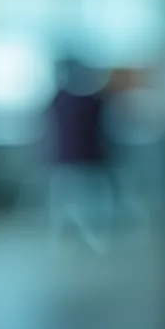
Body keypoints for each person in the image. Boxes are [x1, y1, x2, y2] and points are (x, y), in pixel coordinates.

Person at [45, 56, 116, 253]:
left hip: (80, 160)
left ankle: (91, 235)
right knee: (75, 201)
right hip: (77, 160)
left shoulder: (65, 99)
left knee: (87, 202)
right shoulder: (89, 100)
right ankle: (83, 235)